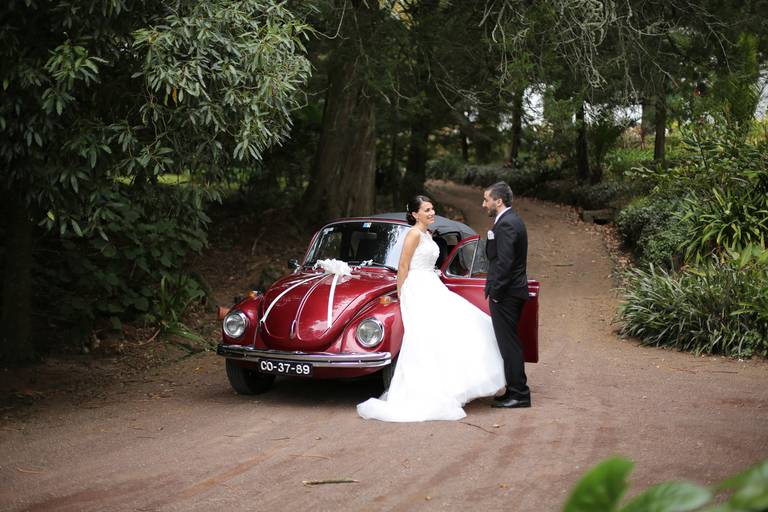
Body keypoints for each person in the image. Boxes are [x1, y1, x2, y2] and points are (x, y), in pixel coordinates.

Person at [357, 195, 505, 422]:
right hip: (417, 288)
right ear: (415, 214)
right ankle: (428, 389)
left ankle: (453, 384)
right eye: (427, 210)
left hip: (431, 284)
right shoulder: (413, 234)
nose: (431, 212)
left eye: (432, 208)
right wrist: (402, 293)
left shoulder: (427, 234)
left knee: (464, 324)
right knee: (425, 336)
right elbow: (403, 266)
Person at [482, 182, 531, 408]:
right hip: (511, 292)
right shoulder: (509, 221)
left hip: (507, 294)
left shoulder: (508, 224)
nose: (484, 204)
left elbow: (505, 263)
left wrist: (497, 293)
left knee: (509, 344)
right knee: (509, 343)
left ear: (498, 201)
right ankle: (513, 389)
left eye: (486, 200)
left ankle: (519, 394)